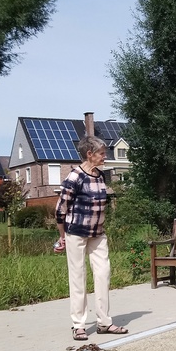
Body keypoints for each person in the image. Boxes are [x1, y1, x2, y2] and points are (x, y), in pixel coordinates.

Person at [55, 135, 128, 340]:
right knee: (78, 278)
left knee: (103, 274)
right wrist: (62, 237)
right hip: (75, 233)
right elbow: (61, 210)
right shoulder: (74, 177)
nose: (105, 157)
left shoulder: (101, 176)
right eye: (102, 153)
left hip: (98, 234)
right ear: (89, 154)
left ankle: (104, 322)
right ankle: (78, 325)